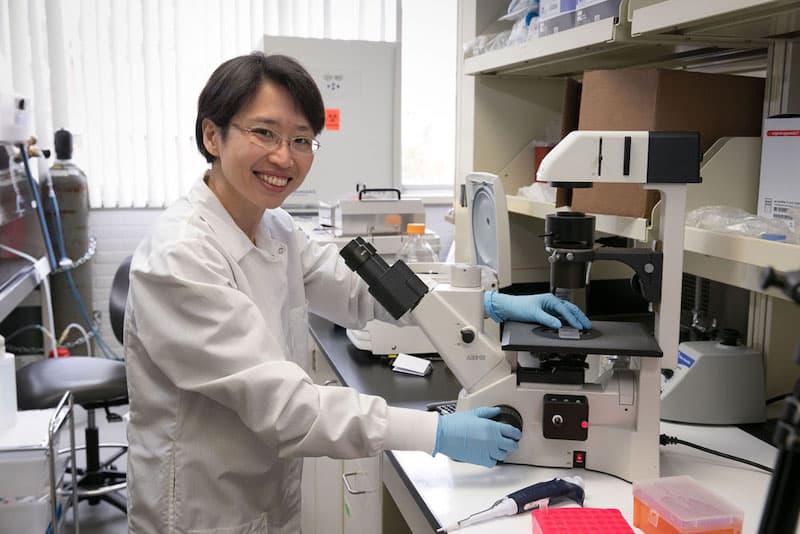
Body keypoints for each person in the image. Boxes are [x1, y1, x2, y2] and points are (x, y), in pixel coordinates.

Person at [124, 52, 591, 534]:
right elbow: (289, 408)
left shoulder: (277, 229)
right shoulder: (179, 258)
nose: (284, 157)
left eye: (302, 140)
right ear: (211, 136)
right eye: (264, 133)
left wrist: (485, 303)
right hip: (202, 510)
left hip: (266, 495)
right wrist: (438, 432)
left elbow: (366, 292)